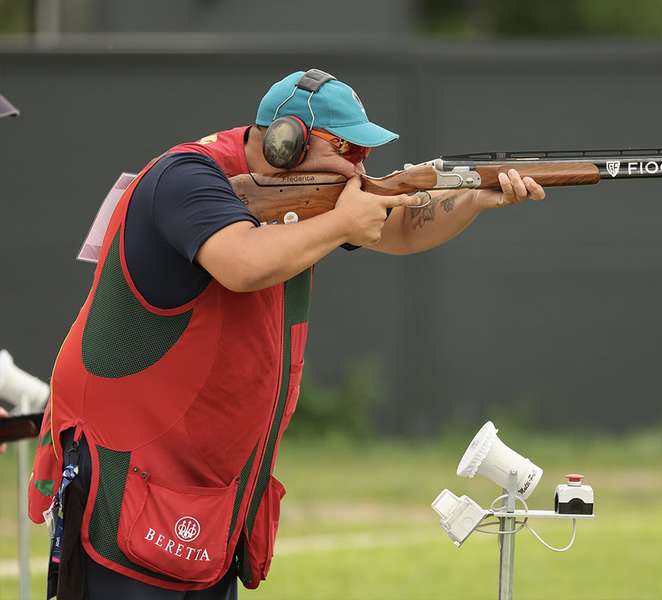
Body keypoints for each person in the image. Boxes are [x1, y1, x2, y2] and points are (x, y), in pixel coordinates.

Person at [28, 69, 545, 599]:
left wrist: (474, 198)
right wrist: (343, 224)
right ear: (284, 144)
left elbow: (400, 230)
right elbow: (242, 262)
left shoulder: (299, 193)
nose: (357, 169)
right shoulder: (185, 178)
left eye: (362, 154)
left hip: (207, 490)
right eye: (346, 150)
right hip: (129, 472)